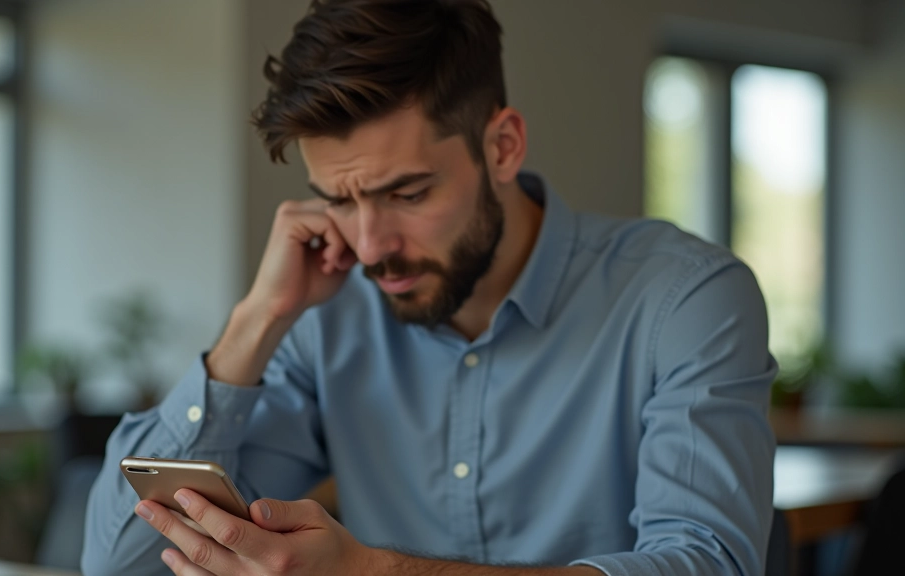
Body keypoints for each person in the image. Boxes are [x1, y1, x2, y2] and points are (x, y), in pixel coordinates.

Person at [81, 0, 777, 574]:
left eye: (408, 193)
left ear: (501, 146)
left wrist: (379, 573)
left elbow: (705, 563)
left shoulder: (685, 298)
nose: (373, 245)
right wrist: (256, 321)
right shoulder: (328, 316)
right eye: (340, 201)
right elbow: (121, 562)